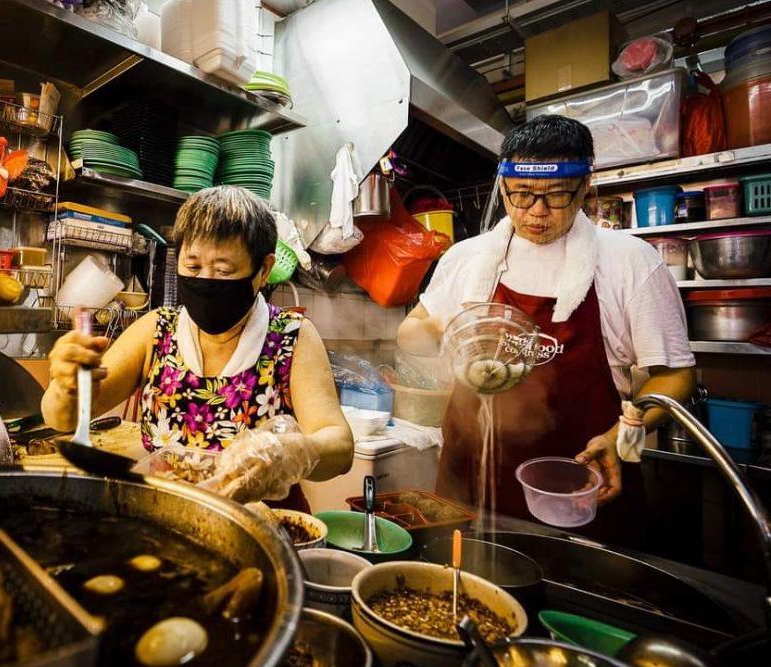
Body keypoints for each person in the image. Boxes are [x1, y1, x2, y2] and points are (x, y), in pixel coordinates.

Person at [397, 115, 696, 543]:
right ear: (502, 187)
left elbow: (677, 374)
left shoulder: (630, 262)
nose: (536, 212)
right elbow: (410, 335)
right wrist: (450, 327)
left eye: (556, 196)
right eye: (521, 195)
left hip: (580, 486)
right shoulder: (468, 258)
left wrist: (621, 435)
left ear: (585, 186)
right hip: (470, 487)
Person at [42, 186, 354, 509]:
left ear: (262, 270)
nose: (205, 280)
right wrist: (65, 385)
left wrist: (293, 452)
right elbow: (60, 418)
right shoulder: (156, 331)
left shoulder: (291, 337)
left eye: (223, 270)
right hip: (171, 519)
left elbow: (340, 445)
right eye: (192, 267)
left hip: (263, 528)